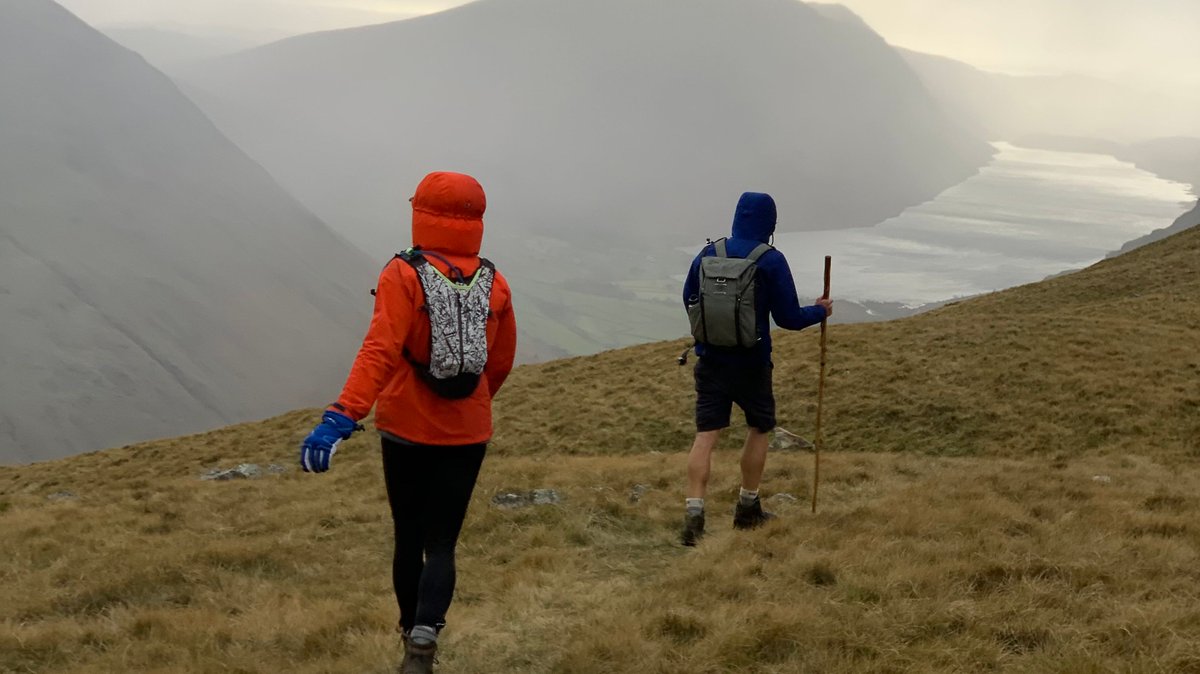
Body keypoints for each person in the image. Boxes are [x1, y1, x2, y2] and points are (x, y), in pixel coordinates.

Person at [299, 171, 517, 673]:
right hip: (468, 432)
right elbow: (500, 362)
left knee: (409, 534)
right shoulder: (495, 281)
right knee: (443, 542)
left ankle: (408, 640)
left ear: (420, 210)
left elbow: (380, 350)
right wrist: (472, 403)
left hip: (406, 429)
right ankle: (425, 641)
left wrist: (342, 416)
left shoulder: (402, 274)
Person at [680, 191, 831, 546]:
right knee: (760, 428)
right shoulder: (770, 260)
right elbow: (790, 319)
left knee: (706, 436)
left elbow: (689, 297)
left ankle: (693, 516)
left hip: (711, 360)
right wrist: (820, 311)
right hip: (752, 363)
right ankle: (747, 509)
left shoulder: (708, 254)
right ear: (770, 224)